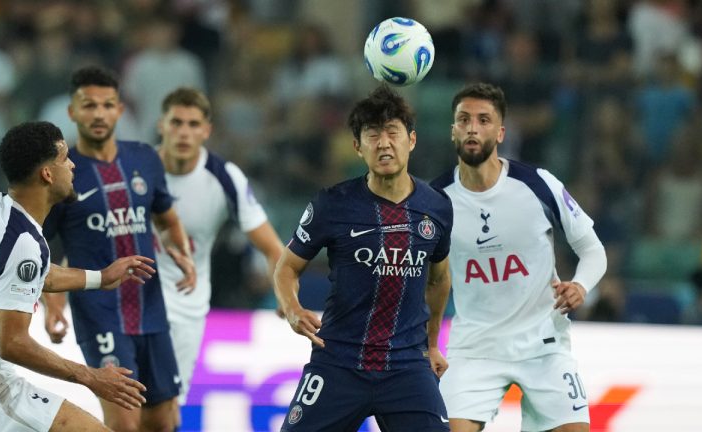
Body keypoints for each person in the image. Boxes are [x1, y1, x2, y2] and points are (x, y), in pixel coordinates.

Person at [274, 85, 453, 431]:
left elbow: (439, 278)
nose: (383, 143)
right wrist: (293, 310)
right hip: (339, 361)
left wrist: (432, 345)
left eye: (392, 132)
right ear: (358, 147)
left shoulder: (437, 207)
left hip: (406, 367)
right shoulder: (332, 204)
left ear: (411, 140)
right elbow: (287, 267)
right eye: (372, 135)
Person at [431, 83, 607, 432]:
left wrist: (582, 286)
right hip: (474, 348)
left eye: (483, 120)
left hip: (544, 344)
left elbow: (593, 250)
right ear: (453, 129)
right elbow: (421, 280)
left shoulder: (538, 184)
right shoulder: (435, 201)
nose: (472, 127)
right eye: (463, 119)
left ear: (500, 132)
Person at [0, 121, 156, 431]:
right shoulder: (24, 243)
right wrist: (91, 378)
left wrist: (101, 277)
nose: (72, 165)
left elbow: (29, 274)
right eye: (65, 158)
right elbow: (13, 343)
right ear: (47, 173)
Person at [42, 66, 196, 432]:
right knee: (125, 422)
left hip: (150, 309)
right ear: (72, 113)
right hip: (100, 315)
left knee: (162, 420)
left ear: (119, 110)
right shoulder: (63, 173)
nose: (98, 113)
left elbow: (166, 217)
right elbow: (41, 247)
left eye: (107, 105)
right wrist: (52, 306)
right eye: (89, 105)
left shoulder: (144, 158)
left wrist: (181, 251)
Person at [155, 87, 284, 405]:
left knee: (166, 415)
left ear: (206, 131)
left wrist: (287, 298)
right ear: (162, 126)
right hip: (130, 307)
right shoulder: (133, 170)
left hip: (187, 314)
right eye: (176, 122)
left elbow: (273, 248)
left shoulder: (224, 178)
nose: (184, 132)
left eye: (193, 124)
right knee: (123, 413)